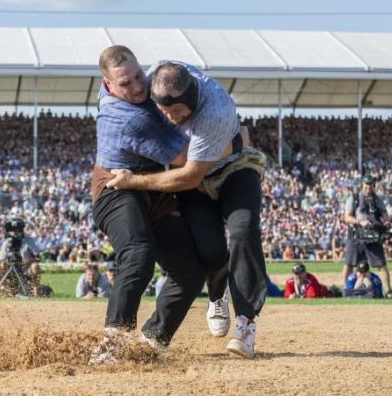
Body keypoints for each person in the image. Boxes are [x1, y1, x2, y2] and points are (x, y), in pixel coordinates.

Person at [106, 59, 267, 359]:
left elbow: (190, 173)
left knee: (244, 230)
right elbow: (115, 84)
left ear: (192, 99)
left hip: (231, 169)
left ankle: (246, 325)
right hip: (194, 180)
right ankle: (217, 294)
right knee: (210, 250)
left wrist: (134, 180)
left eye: (177, 111)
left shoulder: (215, 108)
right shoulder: (151, 80)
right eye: (164, 110)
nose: (169, 116)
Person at [89, 46, 209, 356]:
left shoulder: (122, 90)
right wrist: (232, 140)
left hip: (151, 189)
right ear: (108, 85)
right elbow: (187, 159)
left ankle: (151, 341)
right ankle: (111, 346)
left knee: (191, 273)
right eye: (125, 84)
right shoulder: (130, 119)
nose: (139, 86)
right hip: (116, 188)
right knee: (139, 255)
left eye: (139, 76)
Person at [342, 175, 392, 298]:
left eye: (370, 185)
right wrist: (360, 222)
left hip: (373, 235)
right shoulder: (353, 198)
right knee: (349, 263)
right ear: (362, 185)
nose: (368, 187)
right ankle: (345, 289)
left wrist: (385, 223)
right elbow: (347, 217)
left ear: (373, 185)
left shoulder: (377, 199)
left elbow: (385, 215)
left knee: (381, 264)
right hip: (355, 234)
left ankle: (388, 291)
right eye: (366, 185)